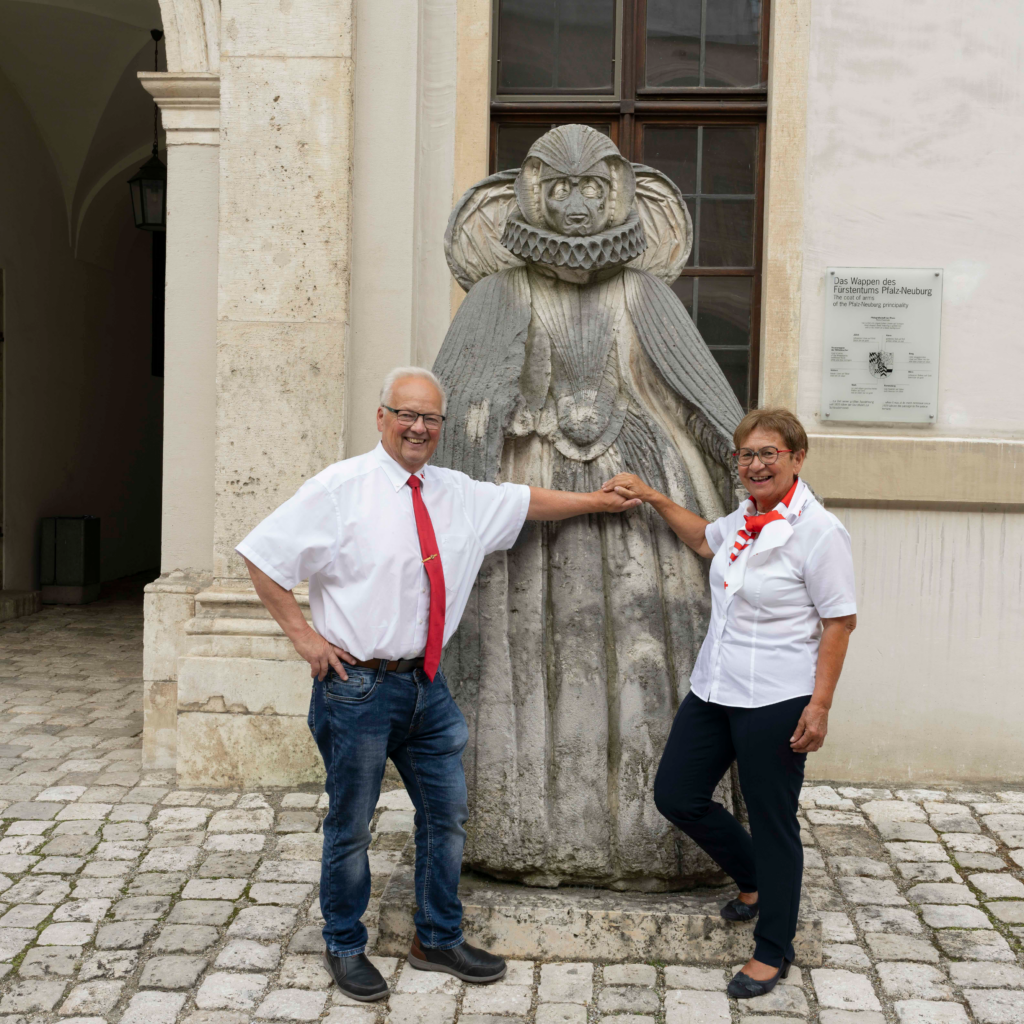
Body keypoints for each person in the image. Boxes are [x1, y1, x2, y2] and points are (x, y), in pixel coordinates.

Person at [236, 366, 640, 1002]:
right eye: (407, 414)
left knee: (445, 815)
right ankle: (344, 944)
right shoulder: (341, 489)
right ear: (382, 418)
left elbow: (528, 501)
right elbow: (263, 555)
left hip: (427, 687)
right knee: (351, 825)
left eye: (430, 419)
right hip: (357, 689)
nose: (418, 427)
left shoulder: (455, 492)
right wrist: (306, 640)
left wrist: (598, 500)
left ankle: (437, 937)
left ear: (441, 427)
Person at [604, 407, 857, 999]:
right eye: (746, 454)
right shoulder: (744, 519)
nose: (756, 464)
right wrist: (652, 497)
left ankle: (773, 949)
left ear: (797, 458)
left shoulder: (818, 532)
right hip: (715, 687)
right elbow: (701, 537)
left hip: (776, 696)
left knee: (773, 821)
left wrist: (818, 707)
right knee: (678, 794)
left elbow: (840, 622)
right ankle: (752, 879)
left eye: (769, 453)